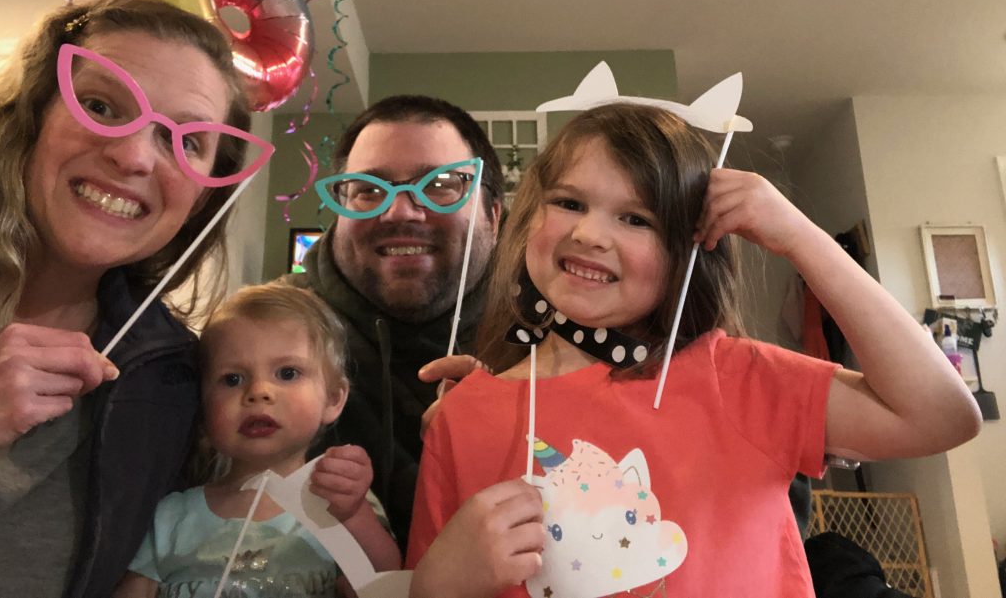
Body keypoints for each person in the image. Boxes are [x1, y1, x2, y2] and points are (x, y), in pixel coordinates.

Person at [406, 102, 981, 596]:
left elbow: (940, 415)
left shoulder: (734, 377)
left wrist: (800, 238)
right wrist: (436, 585)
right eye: (570, 203)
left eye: (636, 218)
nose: (590, 235)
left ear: (688, 252)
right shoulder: (461, 414)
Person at [0, 0, 262, 598]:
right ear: (33, 113)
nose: (133, 155)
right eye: (102, 105)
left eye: (185, 141)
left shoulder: (177, 379)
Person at [291, 95, 504, 548]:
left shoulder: (553, 340)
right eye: (368, 190)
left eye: (443, 183)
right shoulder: (267, 335)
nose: (400, 210)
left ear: (495, 215)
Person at [114, 283, 400, 597]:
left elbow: (384, 586)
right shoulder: (170, 517)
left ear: (333, 398)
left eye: (288, 373)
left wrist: (353, 515)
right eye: (232, 379)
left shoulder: (340, 503)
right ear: (202, 406)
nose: (259, 391)